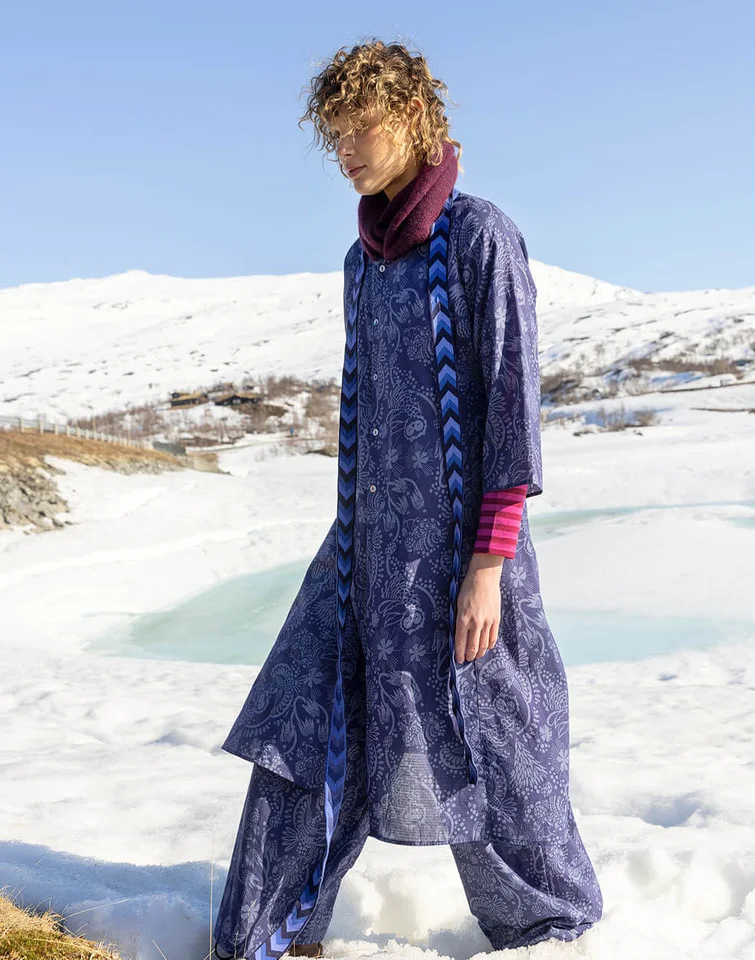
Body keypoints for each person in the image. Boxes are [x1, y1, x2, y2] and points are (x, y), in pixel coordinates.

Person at [213, 38, 603, 959]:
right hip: (362, 551)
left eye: (363, 128)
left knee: (494, 741)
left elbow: (511, 407)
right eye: (335, 135)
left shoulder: (479, 238)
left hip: (462, 555)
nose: (347, 149)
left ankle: (548, 926)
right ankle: (270, 931)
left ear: (416, 117)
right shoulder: (363, 258)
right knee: (301, 724)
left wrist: (487, 565)